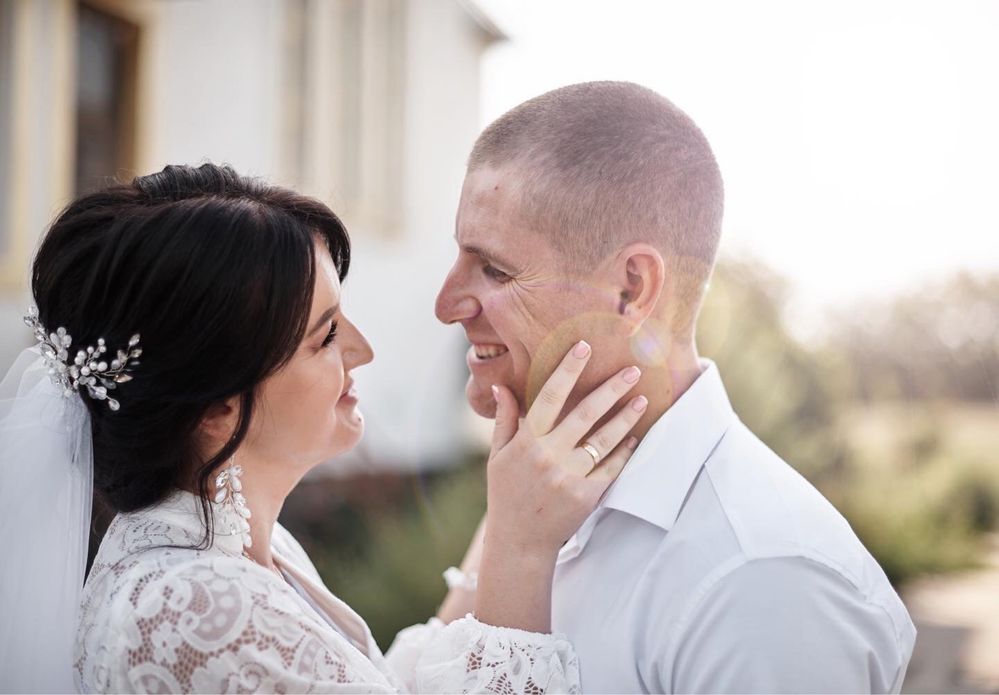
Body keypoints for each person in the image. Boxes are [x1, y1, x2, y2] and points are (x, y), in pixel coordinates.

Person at [0, 163, 648, 693]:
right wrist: (522, 549)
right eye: (326, 335)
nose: (361, 349)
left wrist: (506, 513)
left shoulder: (242, 550)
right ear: (215, 405)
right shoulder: (188, 606)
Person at [435, 81, 917, 693]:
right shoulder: (530, 507)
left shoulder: (763, 582)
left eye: (495, 269)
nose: (446, 304)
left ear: (632, 289)